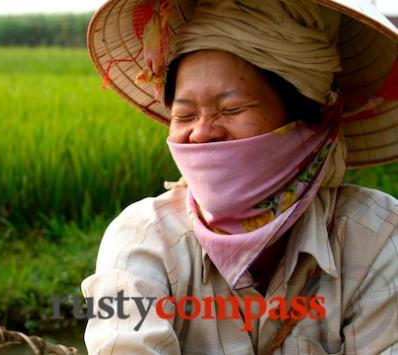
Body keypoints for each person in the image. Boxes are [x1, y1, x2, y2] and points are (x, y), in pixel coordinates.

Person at [81, 0, 398, 353]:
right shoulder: (144, 241)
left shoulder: (375, 236)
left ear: (309, 122)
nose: (201, 133)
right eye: (185, 115)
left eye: (231, 109)